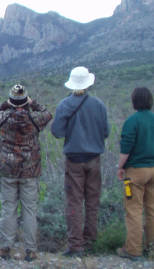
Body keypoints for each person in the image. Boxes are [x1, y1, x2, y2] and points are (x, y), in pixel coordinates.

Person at [0, 85, 52, 262]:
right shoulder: (35, 118)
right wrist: (33, 103)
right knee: (29, 211)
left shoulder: (3, 117)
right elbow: (47, 114)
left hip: (7, 171)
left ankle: (6, 249)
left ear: (12, 101)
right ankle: (30, 251)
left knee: (8, 209)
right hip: (30, 171)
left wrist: (5, 104)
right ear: (25, 101)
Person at [51, 67, 111, 257]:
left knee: (74, 202)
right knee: (92, 202)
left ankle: (76, 246)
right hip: (94, 160)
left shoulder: (64, 104)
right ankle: (91, 242)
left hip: (74, 161)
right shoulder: (99, 105)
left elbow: (57, 132)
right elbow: (106, 132)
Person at [116, 87, 154, 261]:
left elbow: (126, 146)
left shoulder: (133, 120)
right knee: (152, 209)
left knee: (134, 210)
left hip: (135, 172)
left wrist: (120, 166)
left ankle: (133, 250)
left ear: (134, 101)